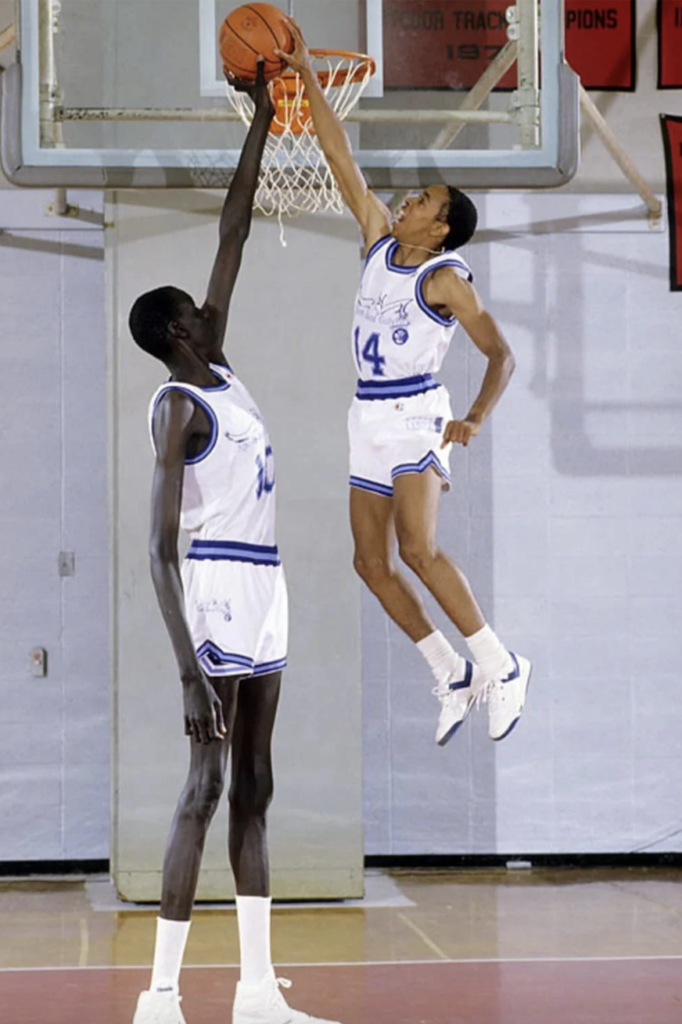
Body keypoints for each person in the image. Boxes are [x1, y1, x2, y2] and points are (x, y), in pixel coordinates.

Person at [128, 62, 340, 1024]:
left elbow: (234, 230)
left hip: (267, 585)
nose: (215, 308)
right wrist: (184, 670)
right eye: (199, 309)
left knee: (256, 781)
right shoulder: (178, 405)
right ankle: (162, 996)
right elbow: (158, 548)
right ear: (176, 328)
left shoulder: (223, 370)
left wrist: (262, 116)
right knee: (204, 785)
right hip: (211, 589)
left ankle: (257, 991)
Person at [277, 24, 531, 746]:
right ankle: (448, 669)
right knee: (369, 562)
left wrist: (476, 416)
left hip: (420, 412)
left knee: (419, 549)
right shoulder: (378, 237)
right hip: (368, 415)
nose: (407, 200)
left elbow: (502, 355)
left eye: (421, 199)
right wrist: (307, 80)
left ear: (443, 225)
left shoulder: (445, 279)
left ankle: (501, 662)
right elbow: (337, 155)